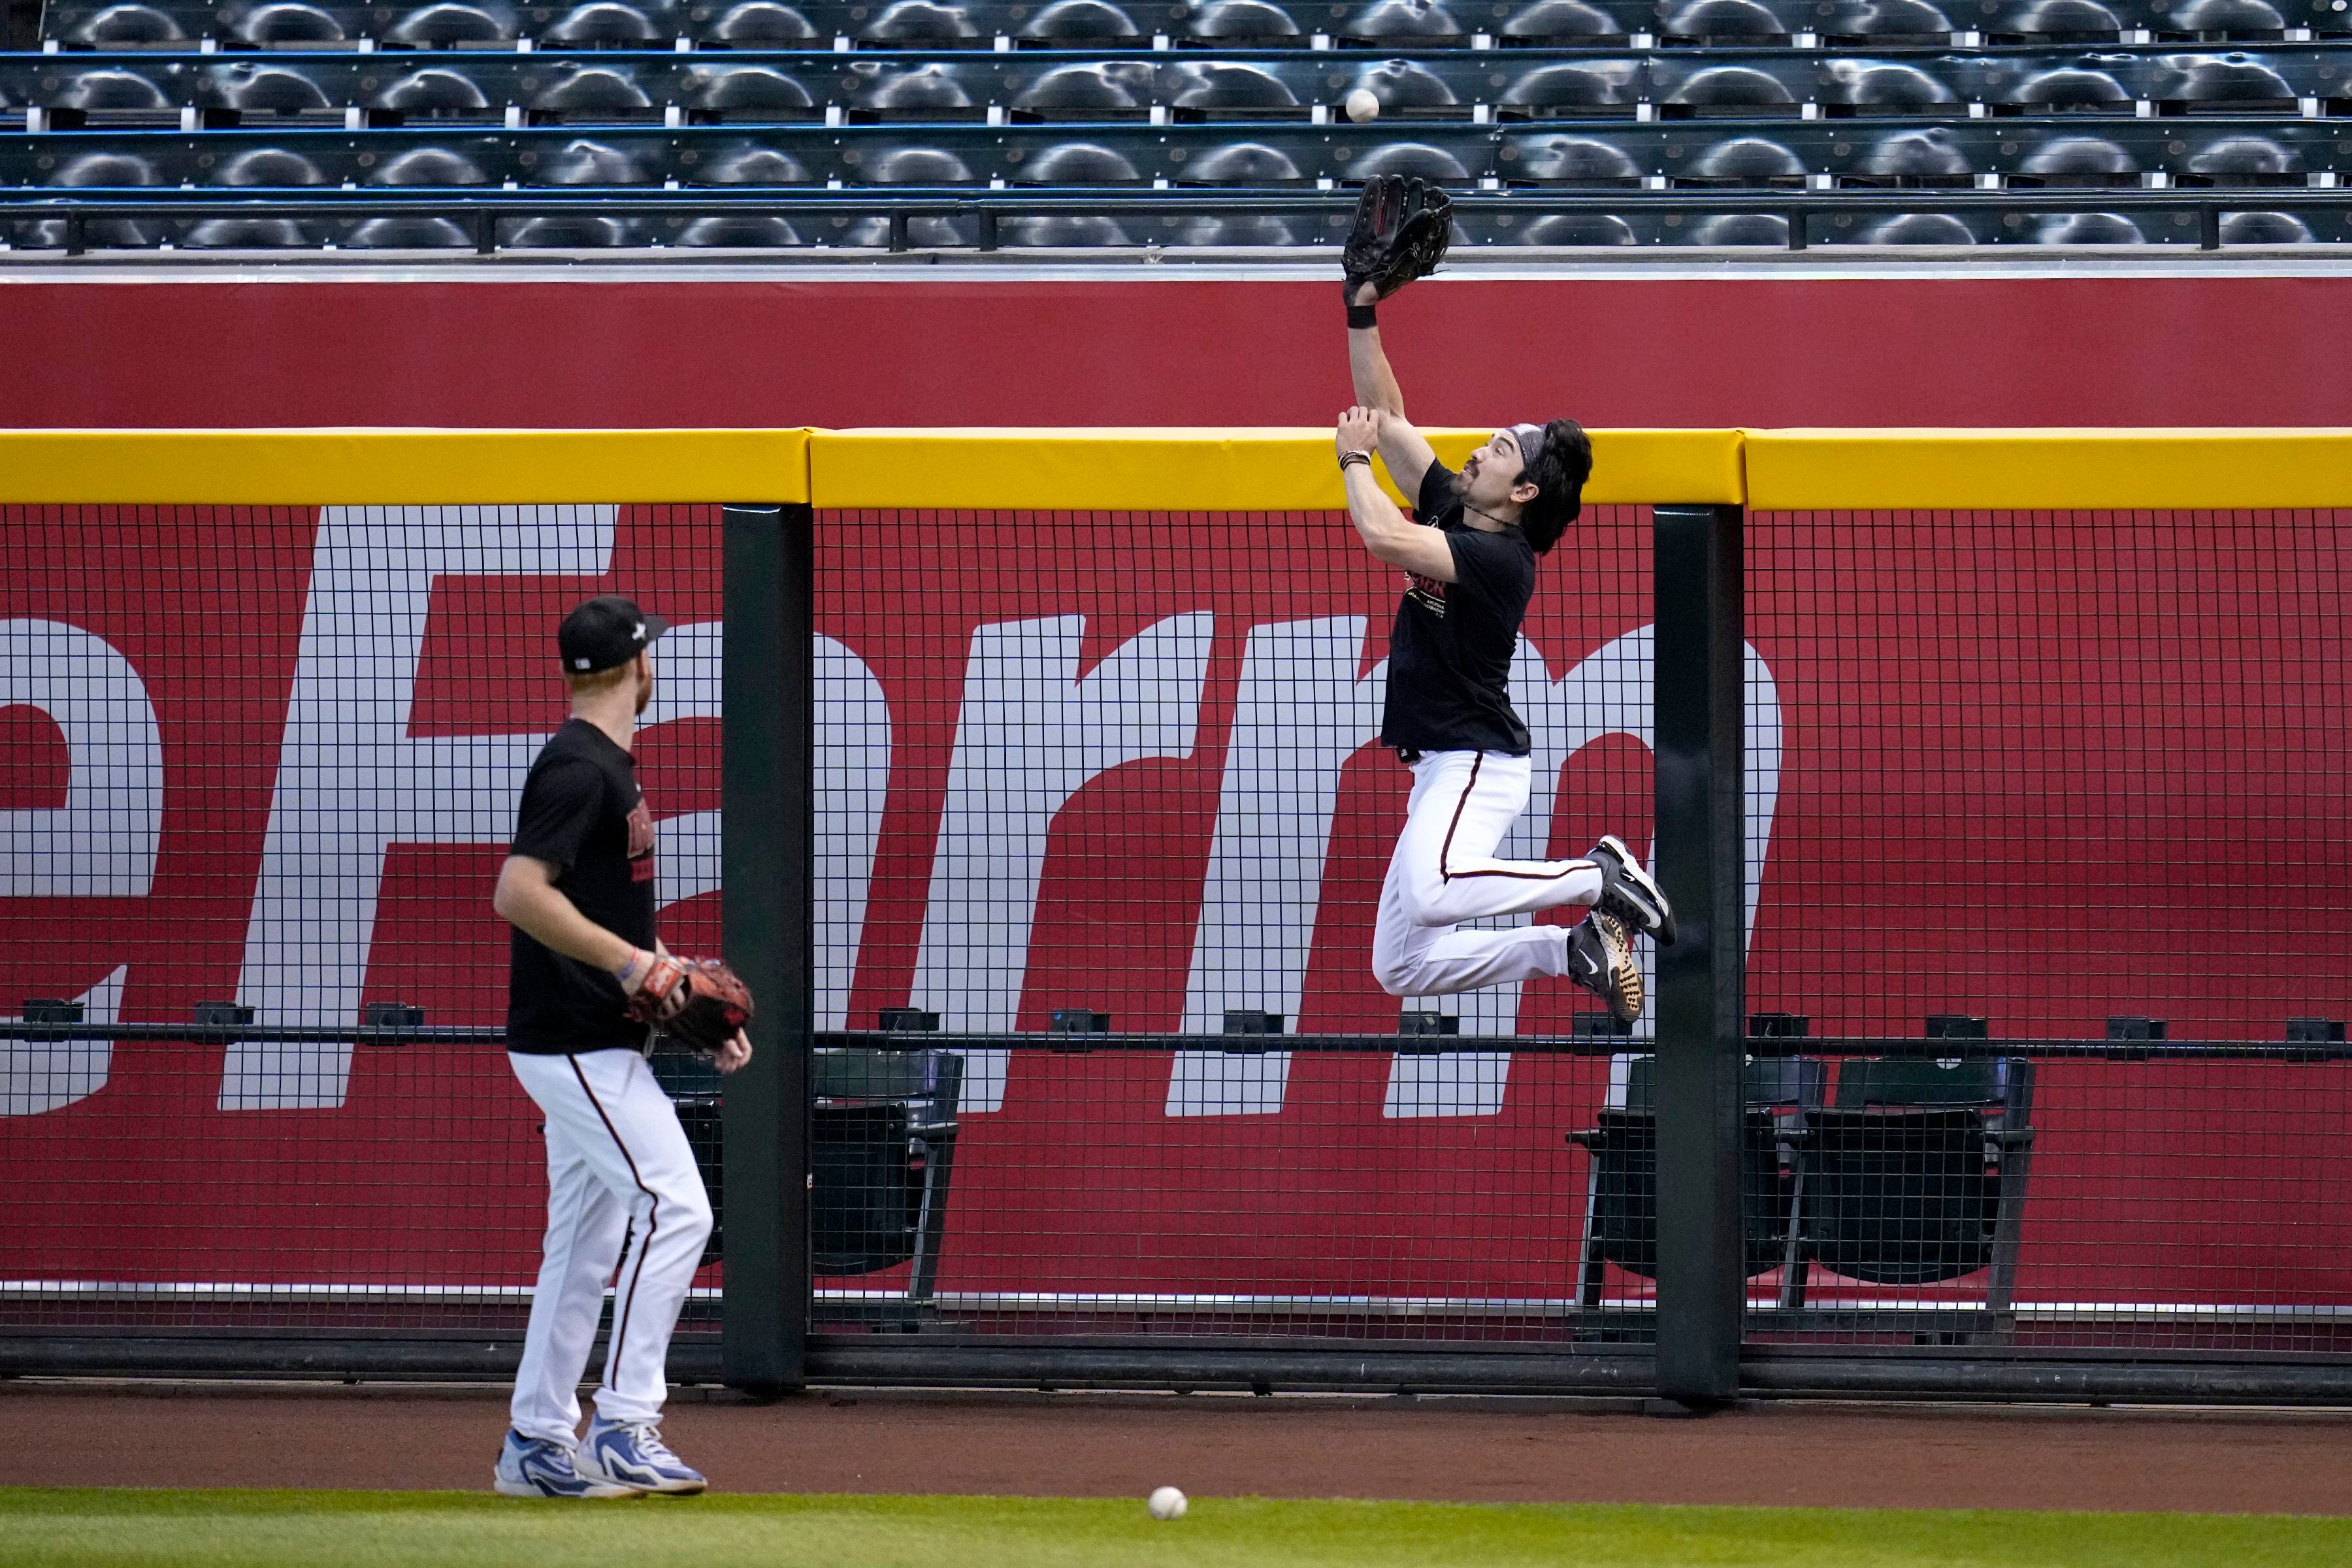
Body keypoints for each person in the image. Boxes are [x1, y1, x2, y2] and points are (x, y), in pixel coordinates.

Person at [1338, 278, 1675, 1024]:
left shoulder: (1503, 558)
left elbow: (1382, 536)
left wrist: (1351, 462)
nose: (1477, 451)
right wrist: (1361, 305)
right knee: (1401, 965)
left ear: (1521, 491)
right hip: (1440, 763)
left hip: (1477, 760)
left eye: (1496, 450)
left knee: (1434, 891)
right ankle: (1569, 949)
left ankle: (1597, 878)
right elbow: (1388, 417)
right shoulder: (1458, 508)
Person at [488, 594, 752, 1499]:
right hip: (571, 1044)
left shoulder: (607, 765)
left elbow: (598, 915)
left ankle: (535, 1443)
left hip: (596, 1040)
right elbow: (520, 893)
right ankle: (626, 1426)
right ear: (639, 667)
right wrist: (640, 965)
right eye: (656, 655)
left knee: (585, 1240)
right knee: (679, 1210)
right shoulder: (577, 768)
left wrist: (670, 994)